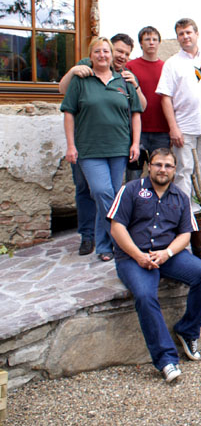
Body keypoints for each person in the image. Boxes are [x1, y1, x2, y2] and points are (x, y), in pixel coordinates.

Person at [108, 148, 201, 382]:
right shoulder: (131, 190)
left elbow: (185, 235)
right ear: (149, 166)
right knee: (146, 296)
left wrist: (167, 253)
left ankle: (187, 331)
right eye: (158, 165)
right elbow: (117, 227)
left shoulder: (180, 197)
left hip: (168, 255)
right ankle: (166, 360)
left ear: (175, 170)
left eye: (168, 166)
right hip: (133, 258)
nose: (162, 170)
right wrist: (138, 256)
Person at [61, 37, 143, 262]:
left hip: (118, 148)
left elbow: (136, 113)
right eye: (98, 51)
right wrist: (70, 145)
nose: (103, 55)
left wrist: (135, 143)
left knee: (112, 195)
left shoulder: (123, 80)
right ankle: (123, 239)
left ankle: (106, 247)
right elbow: (68, 112)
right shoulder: (81, 79)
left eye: (106, 51)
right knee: (101, 192)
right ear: (91, 55)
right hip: (89, 149)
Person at [156, 18, 201, 212]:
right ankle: (185, 212)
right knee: (184, 171)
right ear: (177, 38)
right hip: (185, 127)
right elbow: (165, 98)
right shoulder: (172, 64)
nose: (185, 37)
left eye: (189, 32)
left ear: (197, 34)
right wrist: (173, 128)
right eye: (181, 34)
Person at [127, 26, 169, 162]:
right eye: (147, 39)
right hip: (137, 130)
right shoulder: (131, 67)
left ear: (159, 43)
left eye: (154, 39)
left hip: (162, 130)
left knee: (160, 171)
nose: (151, 42)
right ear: (140, 43)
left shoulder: (167, 68)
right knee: (134, 172)